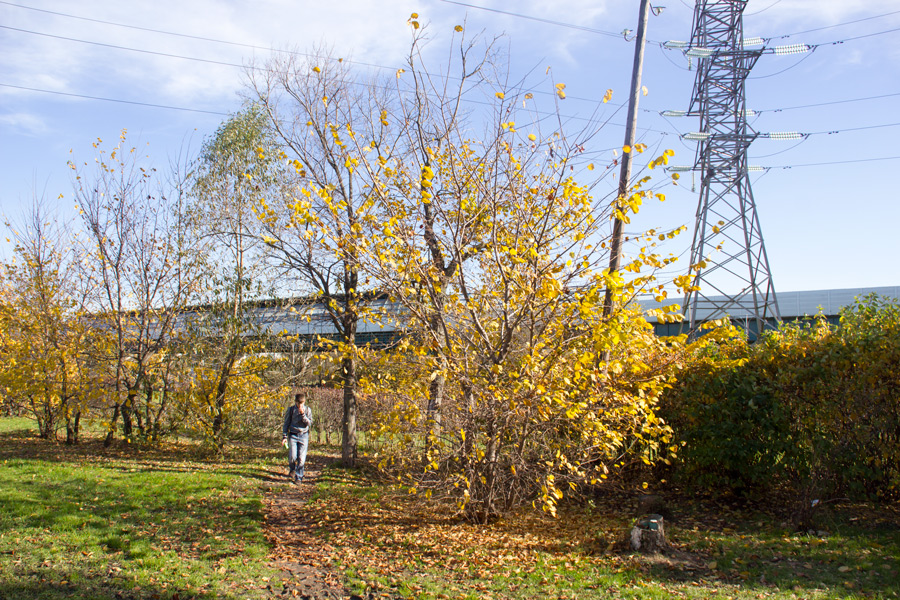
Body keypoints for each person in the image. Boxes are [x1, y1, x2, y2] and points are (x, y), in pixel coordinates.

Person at [282, 392, 313, 484]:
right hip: (293, 435)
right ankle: (292, 469)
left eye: (302, 403)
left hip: (303, 435)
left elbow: (309, 423)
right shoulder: (291, 410)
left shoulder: (307, 410)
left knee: (301, 458)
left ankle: (299, 477)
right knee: (292, 456)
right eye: (298, 403)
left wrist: (303, 415)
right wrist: (284, 436)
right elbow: (286, 423)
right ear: (295, 402)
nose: (300, 405)